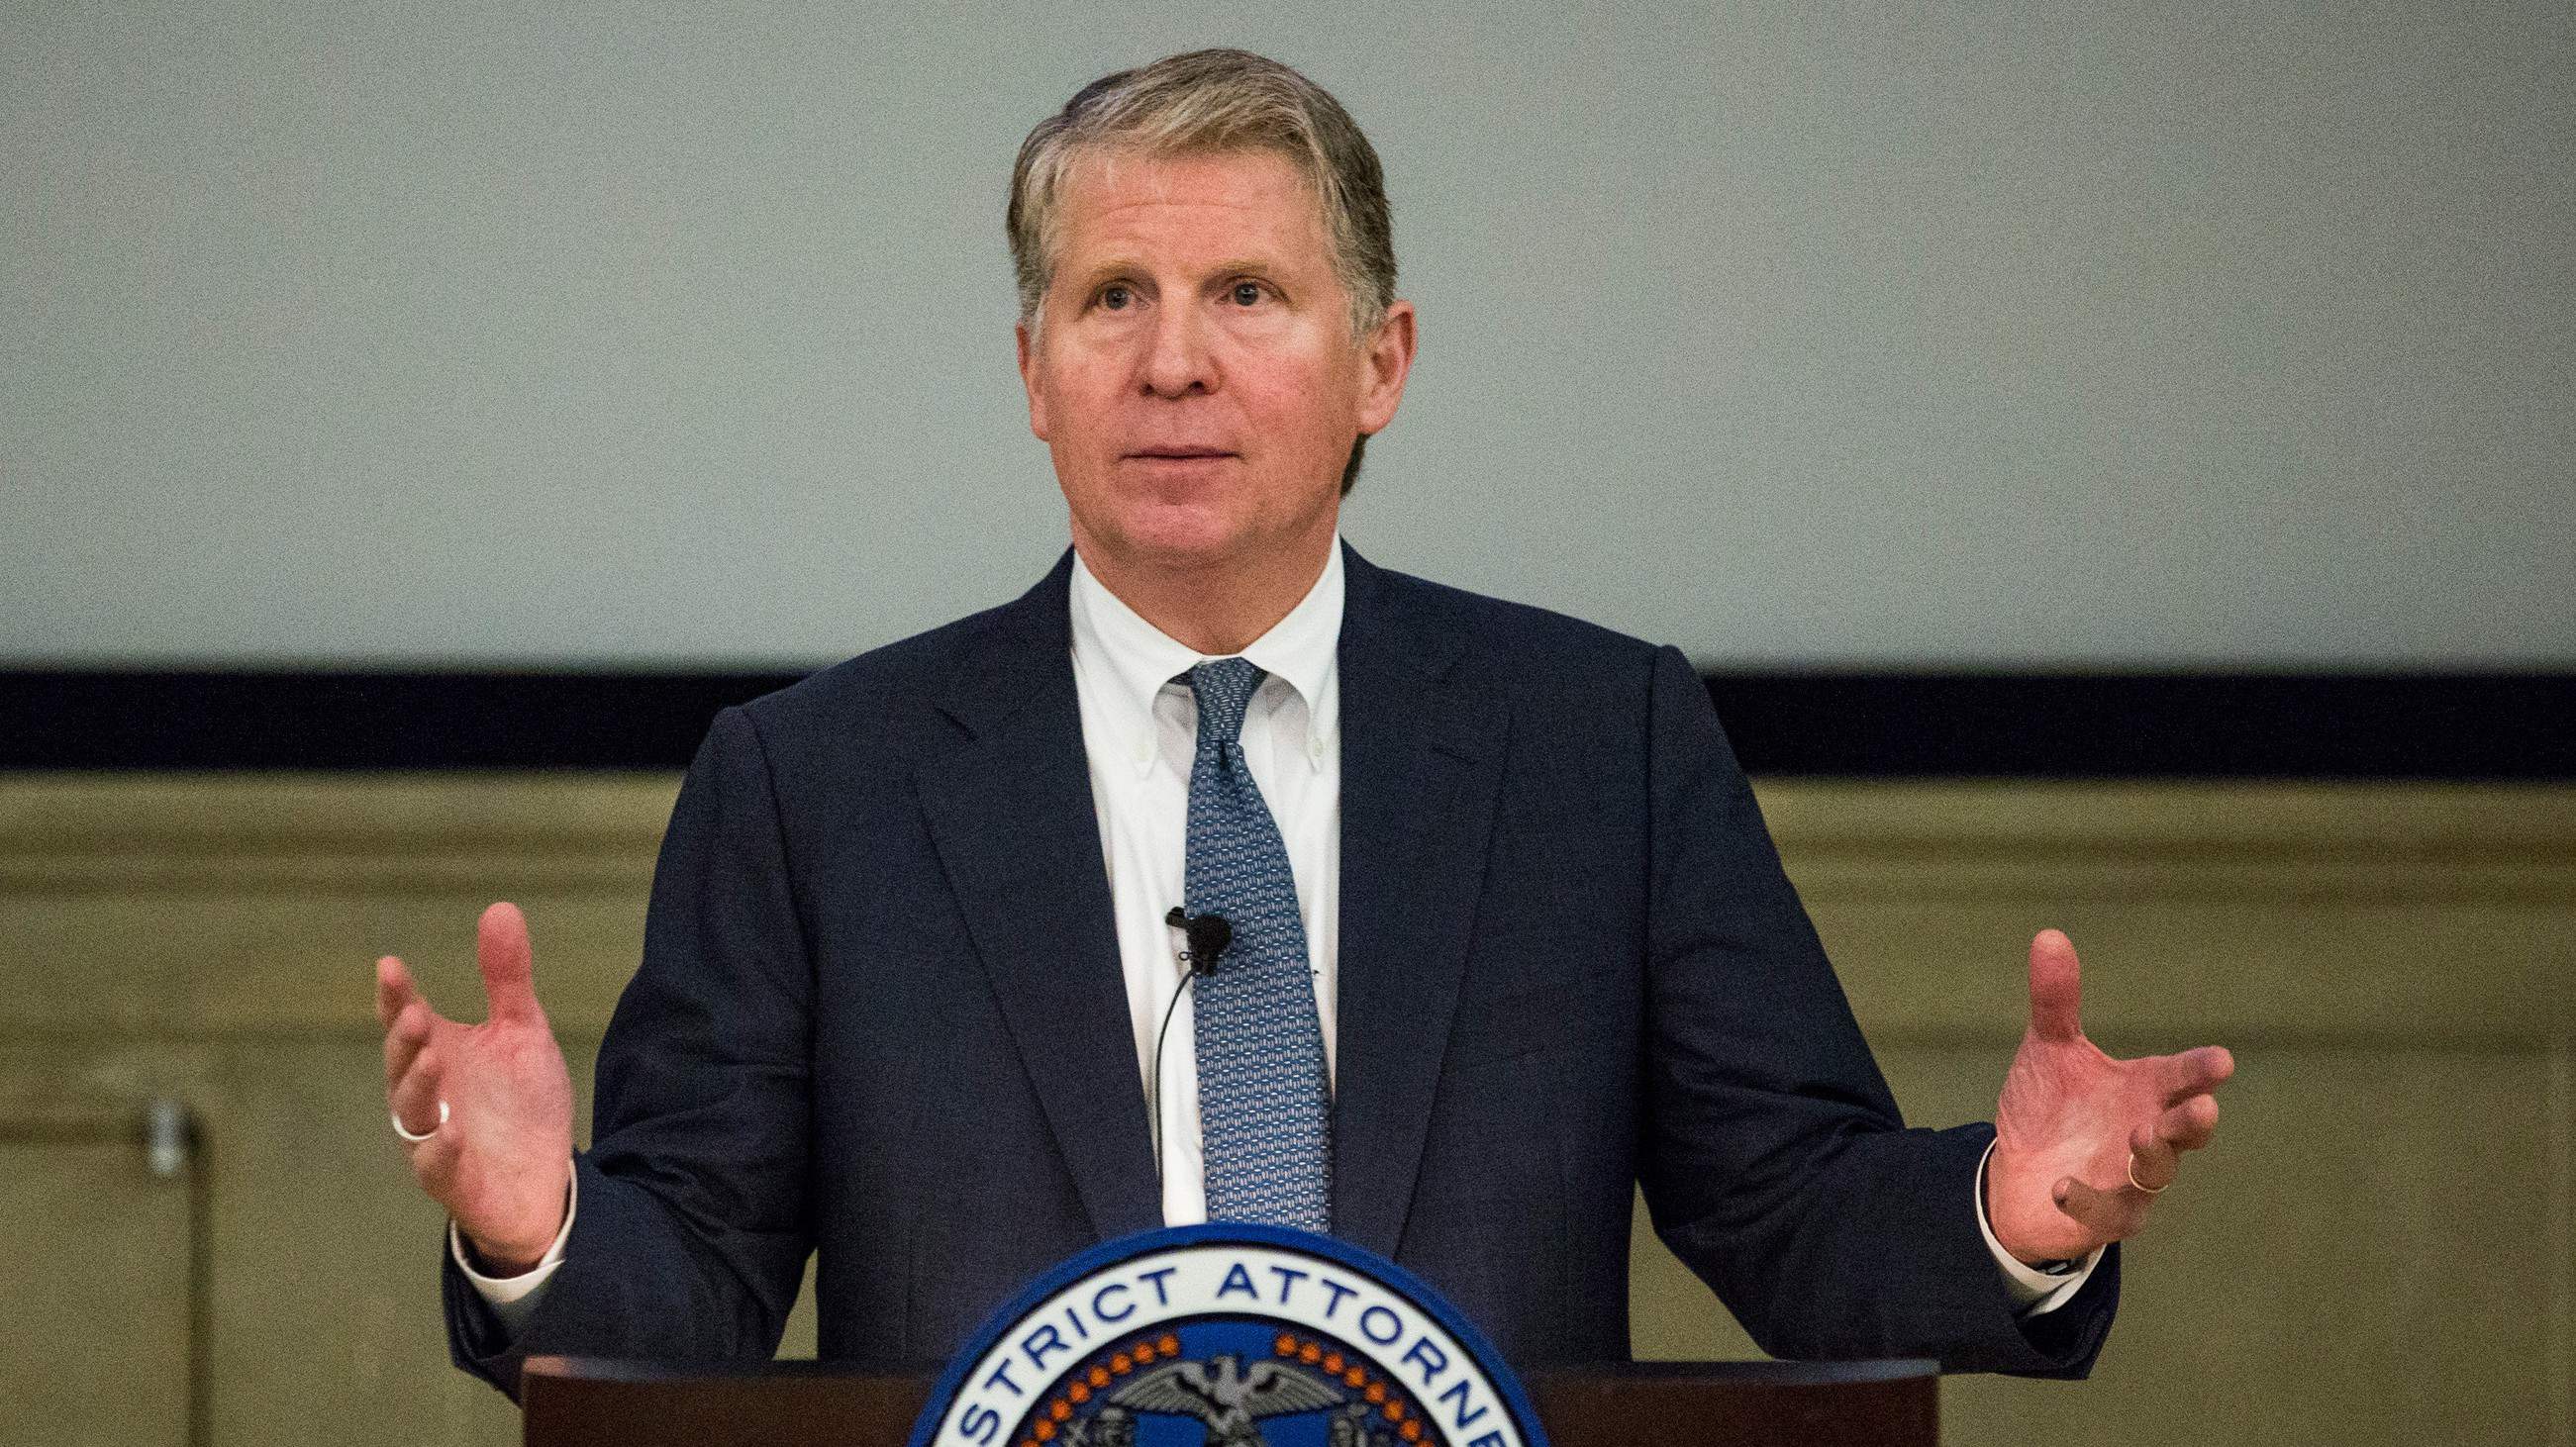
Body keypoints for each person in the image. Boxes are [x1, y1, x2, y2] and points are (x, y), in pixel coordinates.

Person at [374, 48, 2232, 1399]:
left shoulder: (1596, 745)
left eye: (1245, 294)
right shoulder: (814, 786)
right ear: (1033, 374)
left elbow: (1796, 1215)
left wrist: (2003, 1210)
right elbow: (687, 1297)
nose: (1171, 360)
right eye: (1111, 298)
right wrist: (540, 1225)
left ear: (1379, 365)